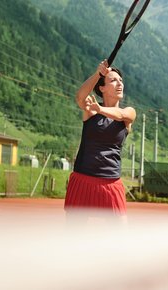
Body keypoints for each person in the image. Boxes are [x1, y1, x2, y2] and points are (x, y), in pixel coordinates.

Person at [64, 60, 136, 223]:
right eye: (113, 80)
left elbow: (123, 115)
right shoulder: (91, 110)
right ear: (101, 88)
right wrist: (98, 73)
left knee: (119, 238)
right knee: (73, 239)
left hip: (111, 183)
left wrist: (100, 110)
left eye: (121, 81)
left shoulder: (128, 112)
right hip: (83, 179)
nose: (120, 84)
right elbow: (80, 97)